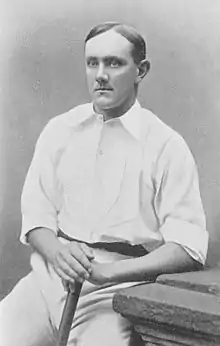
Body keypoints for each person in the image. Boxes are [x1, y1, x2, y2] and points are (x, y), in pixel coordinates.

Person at [0, 22, 208, 346]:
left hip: (115, 295)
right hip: (46, 281)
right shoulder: (60, 130)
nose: (100, 74)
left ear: (141, 71)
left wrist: (106, 274)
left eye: (114, 63)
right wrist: (57, 253)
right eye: (92, 62)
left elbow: (189, 248)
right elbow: (37, 214)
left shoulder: (166, 145)